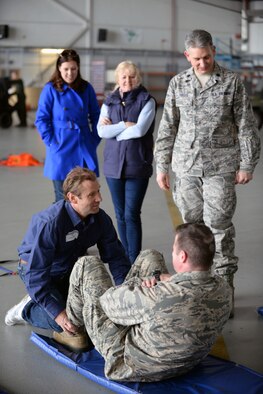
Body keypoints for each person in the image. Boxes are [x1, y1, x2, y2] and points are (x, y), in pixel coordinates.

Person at [154, 29, 261, 316]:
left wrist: (247, 163)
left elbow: (246, 125)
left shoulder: (231, 82)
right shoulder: (178, 83)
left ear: (214, 51)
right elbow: (167, 127)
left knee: (220, 228)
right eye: (197, 59)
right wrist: (161, 165)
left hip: (221, 167)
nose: (203, 64)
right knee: (191, 230)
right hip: (186, 166)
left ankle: (224, 297)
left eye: (207, 57)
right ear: (187, 56)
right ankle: (196, 292)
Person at [53, 223, 231, 382]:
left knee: (87, 264)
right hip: (186, 362)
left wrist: (140, 286)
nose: (173, 252)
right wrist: (164, 279)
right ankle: (135, 305)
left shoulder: (160, 296)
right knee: (150, 256)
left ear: (182, 257)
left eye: (174, 249)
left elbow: (107, 303)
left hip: (130, 363)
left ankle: (73, 331)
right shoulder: (224, 289)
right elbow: (184, 293)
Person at [5, 167, 131, 345]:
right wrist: (58, 314)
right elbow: (36, 276)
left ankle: (49, 301)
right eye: (91, 195)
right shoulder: (50, 224)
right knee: (71, 324)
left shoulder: (100, 219)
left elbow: (117, 258)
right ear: (73, 198)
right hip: (39, 274)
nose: (99, 199)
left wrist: (124, 291)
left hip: (68, 269)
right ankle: (25, 310)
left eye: (99, 191)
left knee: (94, 316)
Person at [97, 60, 156, 263]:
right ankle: (126, 256)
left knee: (131, 214)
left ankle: (134, 260)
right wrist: (123, 125)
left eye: (132, 76)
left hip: (137, 166)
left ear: (138, 78)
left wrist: (115, 132)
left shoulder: (146, 100)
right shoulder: (109, 101)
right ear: (118, 79)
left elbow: (140, 130)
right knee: (120, 215)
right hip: (113, 167)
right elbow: (101, 131)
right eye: (124, 77)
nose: (128, 80)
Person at [35, 49, 101, 202]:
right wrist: (51, 142)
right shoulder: (50, 89)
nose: (70, 73)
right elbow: (41, 119)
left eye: (73, 69)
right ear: (59, 68)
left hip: (82, 144)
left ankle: (83, 226)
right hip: (60, 146)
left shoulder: (86, 88)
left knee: (85, 196)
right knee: (62, 196)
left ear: (78, 68)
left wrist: (93, 140)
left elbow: (97, 115)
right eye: (66, 69)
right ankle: (63, 226)